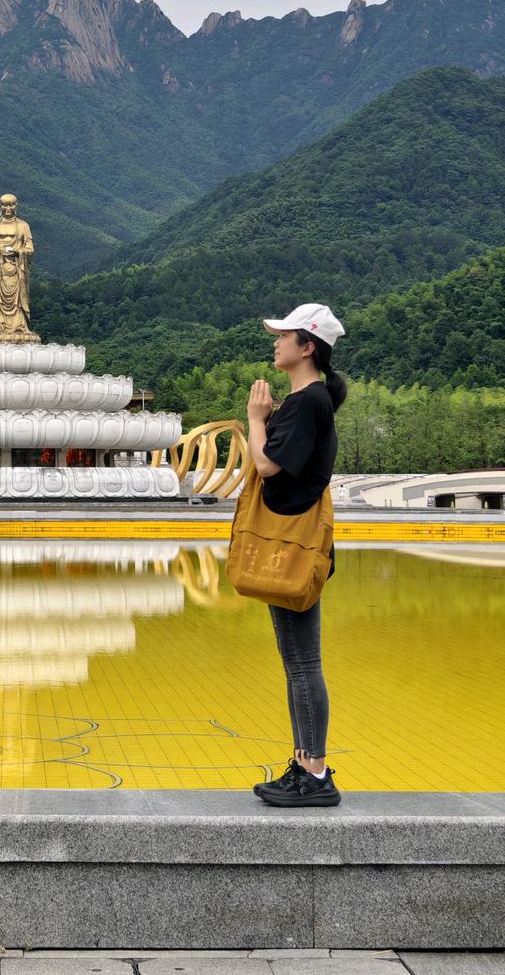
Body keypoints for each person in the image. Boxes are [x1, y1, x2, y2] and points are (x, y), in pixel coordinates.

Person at [244, 303, 347, 808]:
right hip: (289, 544)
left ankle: (315, 774)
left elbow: (267, 466)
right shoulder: (306, 401)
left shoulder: (309, 402)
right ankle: (305, 764)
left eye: (284, 335)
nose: (276, 342)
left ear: (307, 347)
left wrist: (254, 420)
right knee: (297, 663)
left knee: (303, 663)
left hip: (292, 547)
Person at [0, 194, 38, 342]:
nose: (8, 208)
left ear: (16, 206)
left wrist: (18, 251)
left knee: (18, 300)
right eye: (4, 205)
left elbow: (30, 249)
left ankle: (20, 325)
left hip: (17, 269)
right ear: (0, 206)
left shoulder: (23, 226)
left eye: (11, 205)